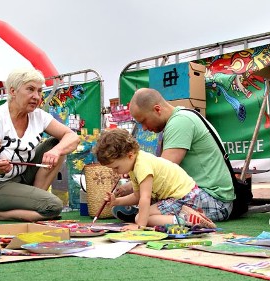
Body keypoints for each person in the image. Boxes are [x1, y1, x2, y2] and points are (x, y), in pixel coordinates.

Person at [0, 67, 79, 221]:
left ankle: (34, 199)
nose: (36, 96)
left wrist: (57, 151)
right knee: (53, 206)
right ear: (13, 91)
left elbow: (72, 137)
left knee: (57, 143)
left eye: (39, 91)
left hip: (20, 177)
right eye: (30, 89)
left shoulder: (39, 116)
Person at [115, 88, 235, 222]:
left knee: (143, 216)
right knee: (145, 211)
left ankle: (186, 219)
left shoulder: (180, 122)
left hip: (214, 201)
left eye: (143, 121)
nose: (143, 128)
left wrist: (130, 186)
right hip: (202, 195)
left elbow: (159, 173)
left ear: (157, 109)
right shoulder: (181, 117)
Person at [94, 128, 215, 230]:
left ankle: (187, 220)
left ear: (130, 155)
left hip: (183, 197)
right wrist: (116, 202)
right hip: (182, 195)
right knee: (144, 216)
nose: (115, 172)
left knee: (140, 218)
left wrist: (140, 226)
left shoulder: (142, 165)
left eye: (116, 167)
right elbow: (137, 196)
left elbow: (145, 198)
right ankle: (187, 217)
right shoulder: (134, 165)